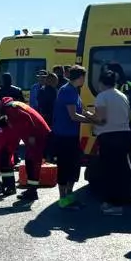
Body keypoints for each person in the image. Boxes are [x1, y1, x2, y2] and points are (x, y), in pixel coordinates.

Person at [79, 69, 131, 215]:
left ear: (101, 82)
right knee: (121, 170)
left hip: (109, 137)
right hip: (124, 135)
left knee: (109, 171)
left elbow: (101, 120)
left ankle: (112, 204)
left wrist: (87, 114)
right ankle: (123, 200)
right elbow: (128, 116)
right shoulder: (122, 96)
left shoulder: (102, 97)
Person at [0, 97, 51, 203]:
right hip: (39, 134)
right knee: (29, 161)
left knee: (33, 163)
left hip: (37, 136)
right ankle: (31, 190)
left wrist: (31, 135)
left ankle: (33, 192)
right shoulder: (16, 105)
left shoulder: (10, 109)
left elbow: (26, 117)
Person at [52, 66, 86, 199]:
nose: (84, 80)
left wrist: (94, 117)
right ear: (80, 77)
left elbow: (82, 110)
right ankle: (63, 199)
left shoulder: (74, 90)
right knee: (65, 168)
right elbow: (74, 115)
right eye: (84, 77)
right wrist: (93, 122)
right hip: (64, 136)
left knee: (74, 168)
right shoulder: (67, 91)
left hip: (72, 135)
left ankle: (69, 198)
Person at [36, 70, 59, 159]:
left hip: (43, 117)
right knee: (51, 139)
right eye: (56, 80)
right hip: (52, 118)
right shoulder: (53, 91)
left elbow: (39, 103)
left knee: (44, 138)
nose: (57, 82)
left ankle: (44, 156)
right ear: (52, 81)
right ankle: (51, 156)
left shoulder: (42, 90)